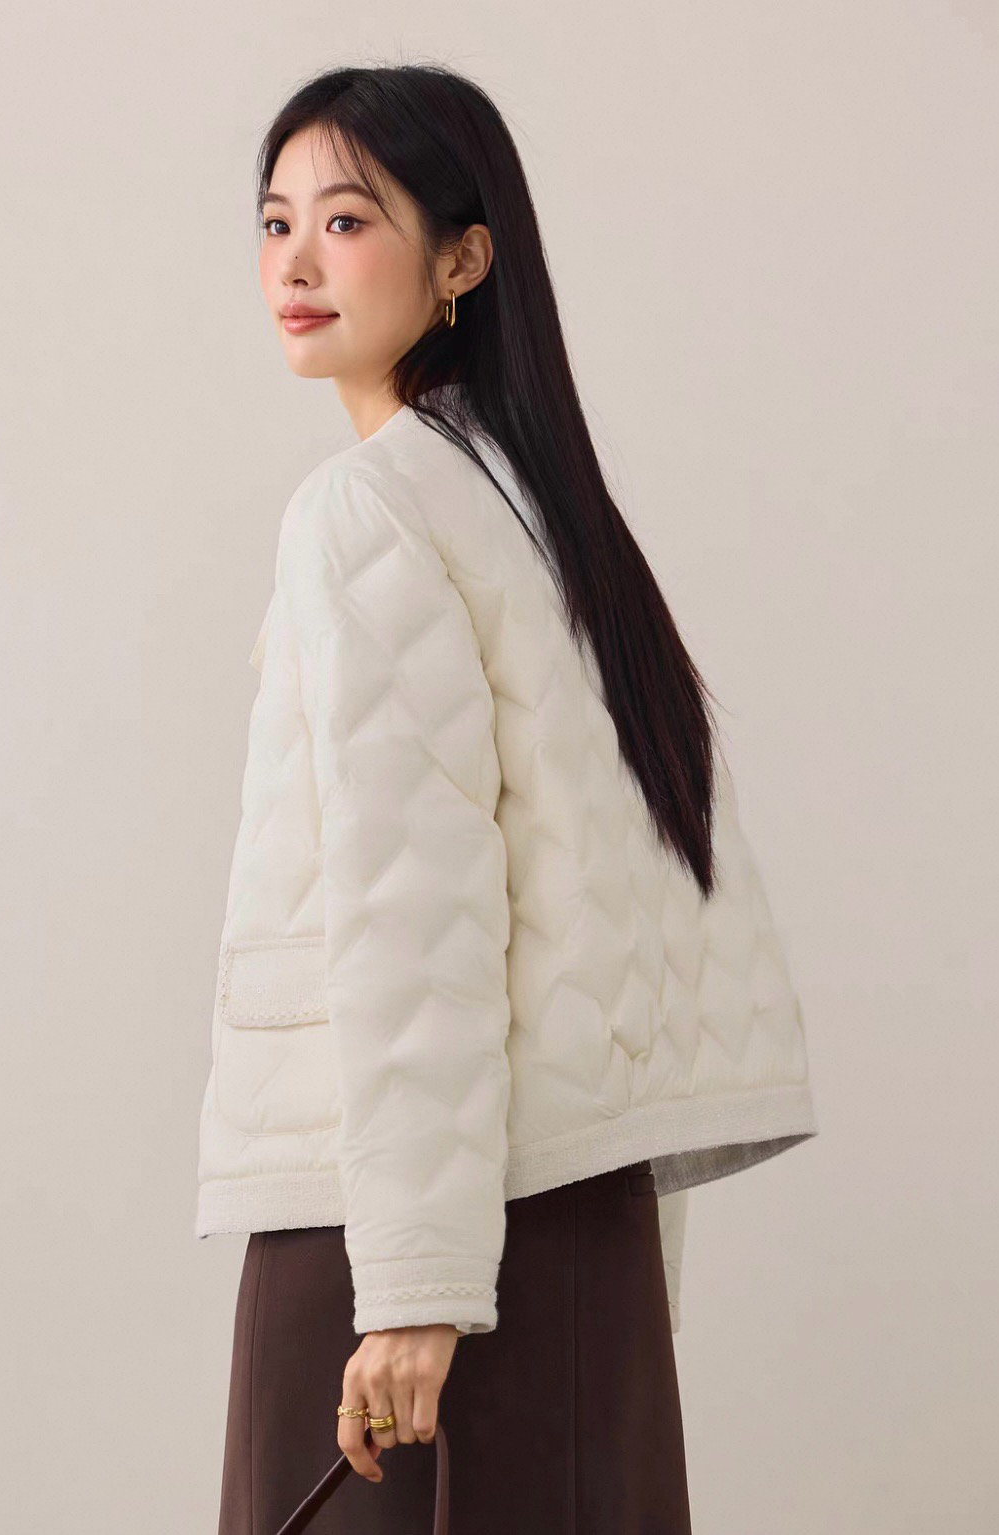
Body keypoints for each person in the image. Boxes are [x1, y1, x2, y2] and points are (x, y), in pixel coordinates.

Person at [196, 62, 820, 1534]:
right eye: (275, 221)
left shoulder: (369, 509)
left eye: (347, 220)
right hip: (566, 1223)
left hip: (401, 1225)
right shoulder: (544, 512)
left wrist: (413, 1288)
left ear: (463, 260)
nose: (295, 263)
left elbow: (414, 918)